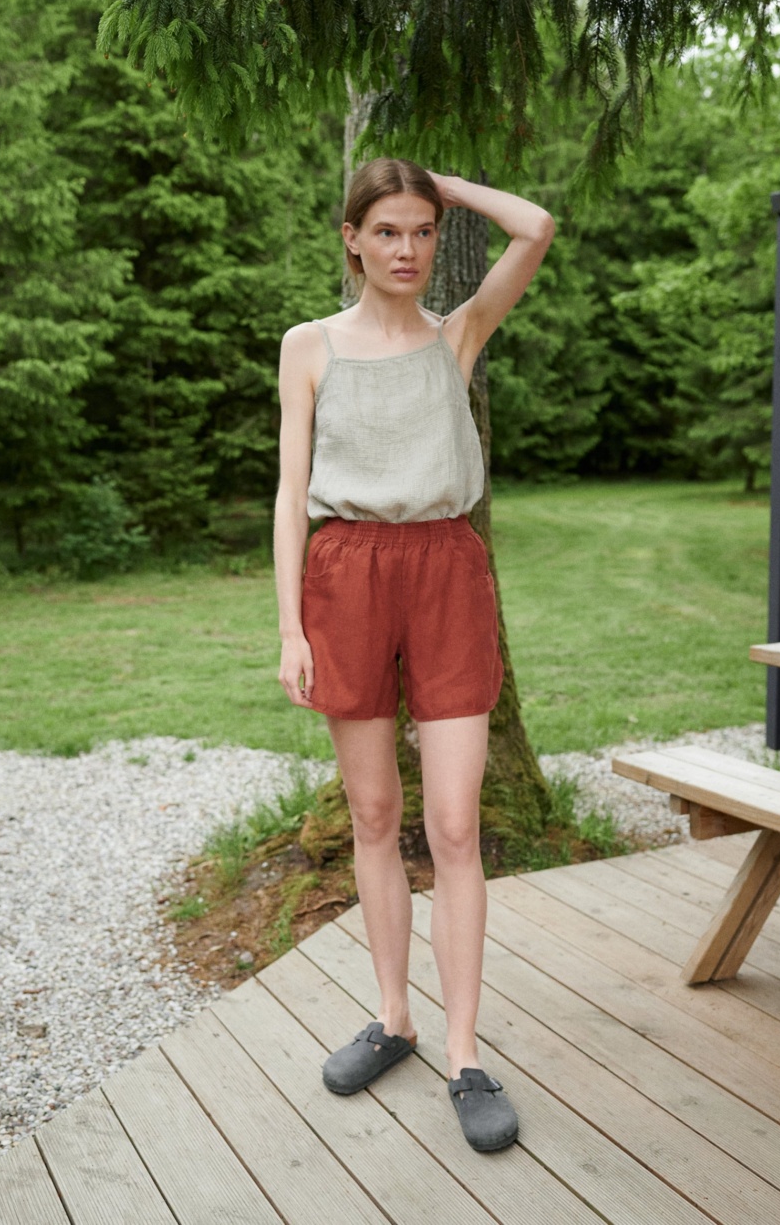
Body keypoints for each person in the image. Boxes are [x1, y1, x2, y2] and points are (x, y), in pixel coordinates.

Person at [274, 158, 554, 1152]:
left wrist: (440, 181)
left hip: (445, 570)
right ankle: (391, 1017)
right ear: (350, 238)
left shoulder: (456, 333)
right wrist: (289, 625)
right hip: (344, 570)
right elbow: (288, 487)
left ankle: (464, 1050)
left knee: (451, 819)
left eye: (421, 231)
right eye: (386, 230)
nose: (406, 250)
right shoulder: (307, 346)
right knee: (375, 811)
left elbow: (536, 224)